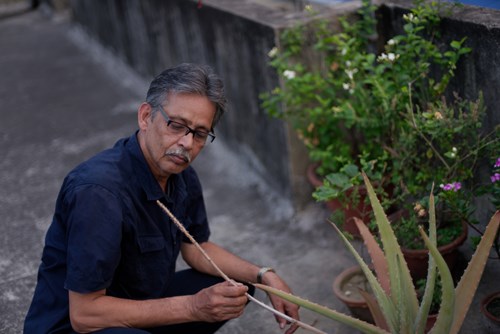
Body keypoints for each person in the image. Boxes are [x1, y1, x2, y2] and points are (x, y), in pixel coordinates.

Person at [24, 63, 300, 334]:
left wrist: (264, 276)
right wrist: (193, 307)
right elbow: (84, 315)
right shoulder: (98, 192)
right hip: (79, 325)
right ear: (145, 117)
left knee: (235, 287)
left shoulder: (181, 173)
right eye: (177, 126)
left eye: (200, 133)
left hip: (136, 302)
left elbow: (195, 247)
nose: (187, 144)